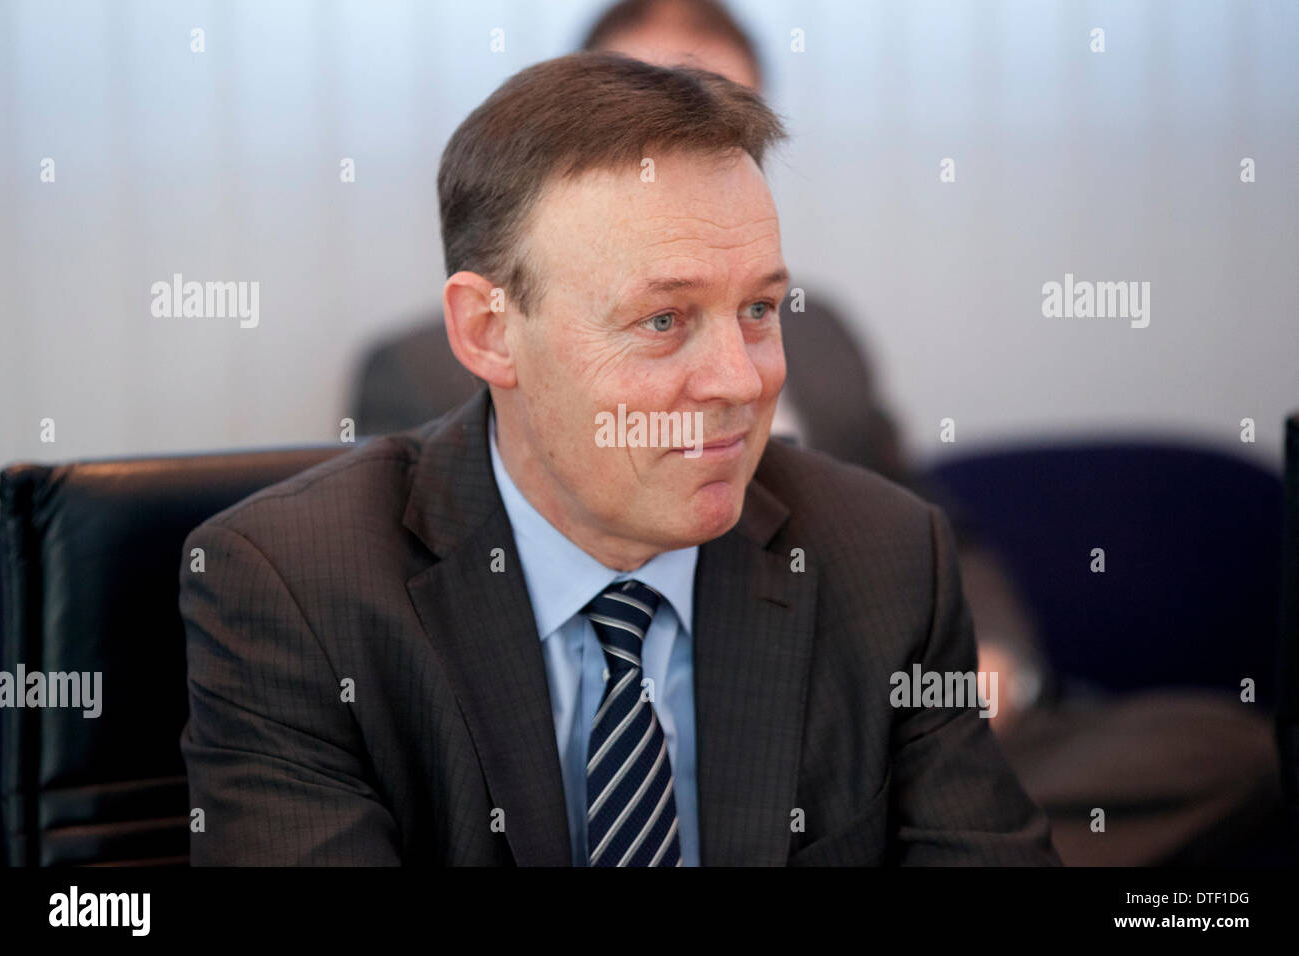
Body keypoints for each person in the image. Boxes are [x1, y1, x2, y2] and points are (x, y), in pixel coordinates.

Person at [179, 50, 1059, 866]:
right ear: (489, 333)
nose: (739, 381)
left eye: (758, 310)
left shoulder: (886, 559)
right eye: (664, 321)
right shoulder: (297, 589)